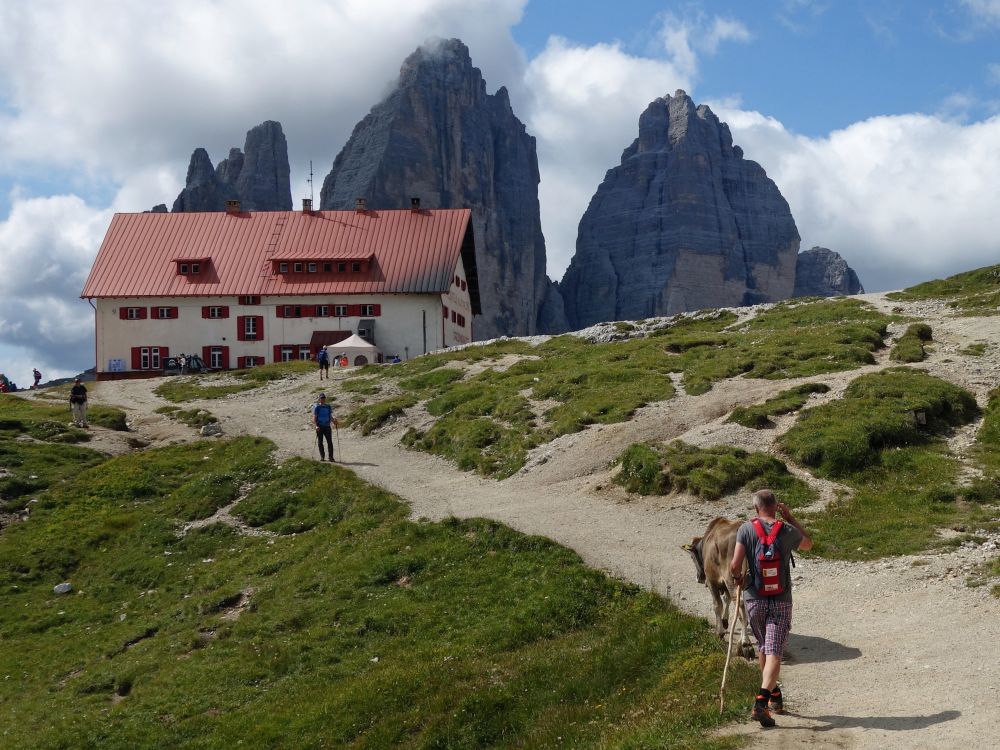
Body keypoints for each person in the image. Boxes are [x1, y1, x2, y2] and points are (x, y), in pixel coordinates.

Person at [729, 489, 813, 728]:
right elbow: (808, 544)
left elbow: (735, 565)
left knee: (764, 648)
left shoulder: (746, 529)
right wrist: (791, 519)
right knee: (775, 650)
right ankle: (761, 701)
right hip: (780, 599)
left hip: (754, 599)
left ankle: (774, 695)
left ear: (756, 508)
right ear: (776, 507)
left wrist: (739, 579)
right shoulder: (786, 530)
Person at [311, 393, 338, 462]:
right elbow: (314, 417)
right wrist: (316, 426)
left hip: (327, 426)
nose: (323, 399)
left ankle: (331, 457)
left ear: (325, 398)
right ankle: (322, 457)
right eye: (321, 398)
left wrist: (334, 421)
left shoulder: (328, 407)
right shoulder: (317, 407)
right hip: (319, 426)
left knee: (330, 442)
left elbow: (330, 416)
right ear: (319, 399)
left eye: (323, 398)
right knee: (320, 442)